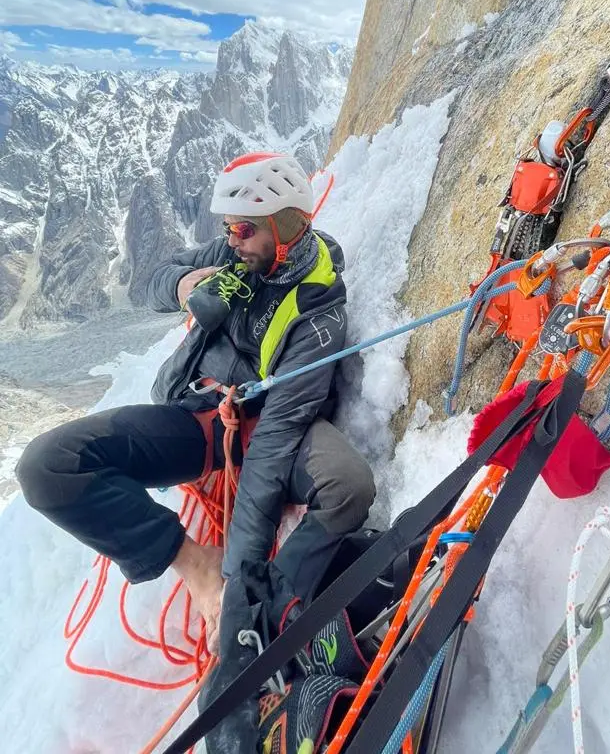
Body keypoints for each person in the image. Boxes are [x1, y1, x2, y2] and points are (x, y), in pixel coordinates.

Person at [16, 151, 376, 658]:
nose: (232, 238)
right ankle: (196, 564)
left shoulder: (318, 312)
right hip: (192, 417)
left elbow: (276, 438)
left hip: (264, 426)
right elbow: (154, 282)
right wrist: (186, 285)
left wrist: (240, 580)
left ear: (287, 224)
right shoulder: (236, 251)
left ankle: (267, 605)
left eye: (244, 229)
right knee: (48, 466)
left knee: (348, 487)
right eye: (228, 227)